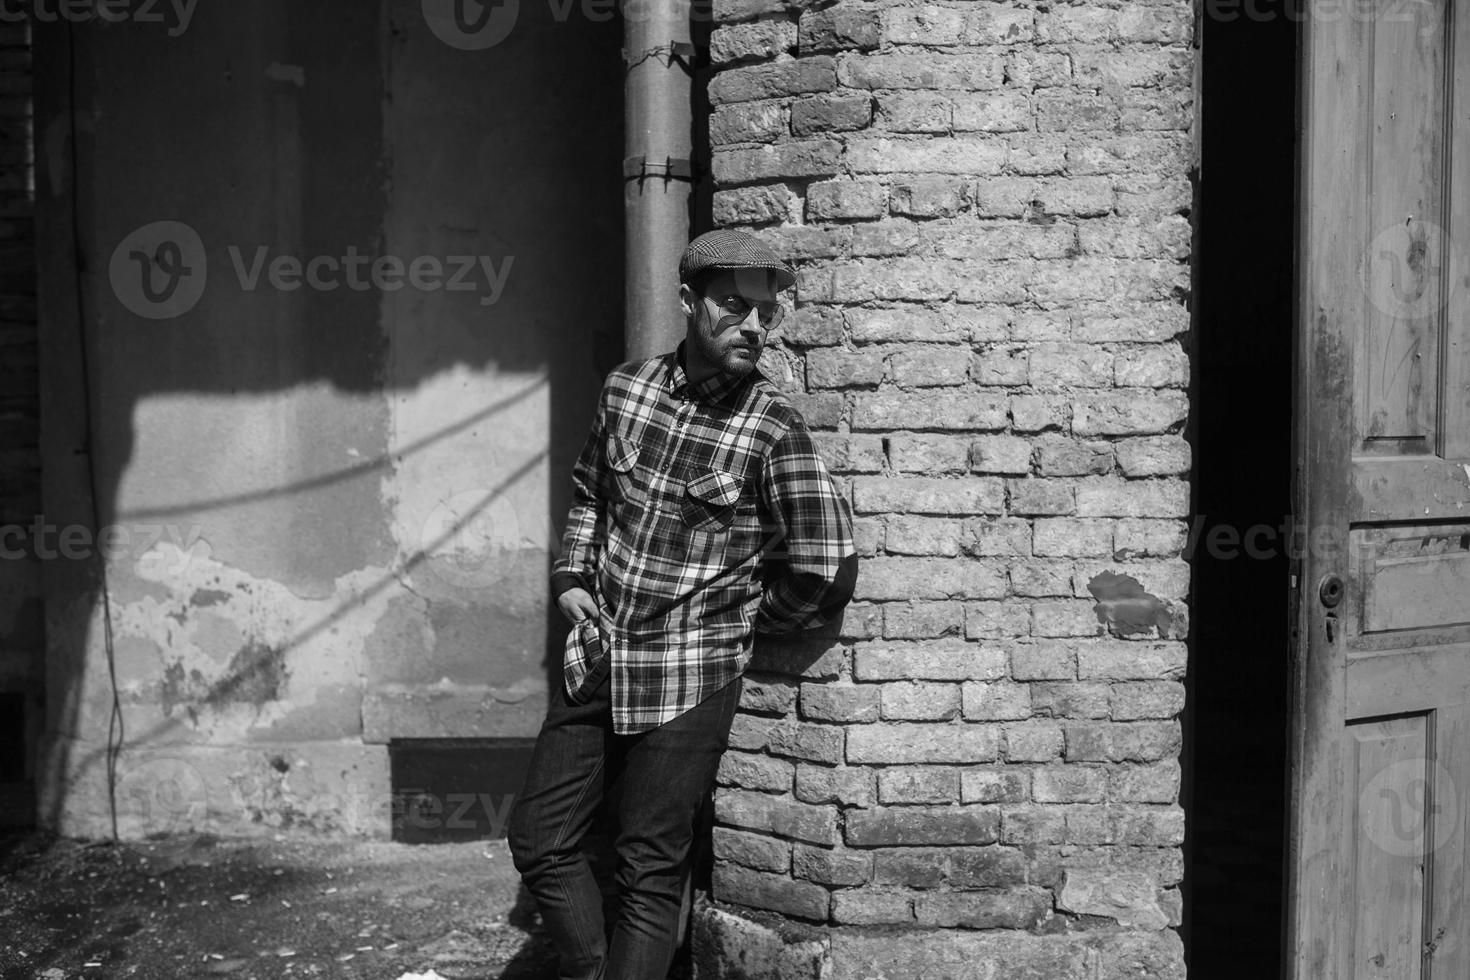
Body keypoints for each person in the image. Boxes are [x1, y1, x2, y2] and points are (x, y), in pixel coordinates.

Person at [508, 229, 858, 980]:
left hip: (690, 675)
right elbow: (591, 492)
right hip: (601, 649)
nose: (756, 328)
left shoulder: (770, 427)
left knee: (648, 868)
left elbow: (827, 561)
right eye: (736, 306)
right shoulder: (625, 389)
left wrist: (752, 619)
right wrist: (571, 576)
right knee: (540, 838)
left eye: (768, 312)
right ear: (688, 302)